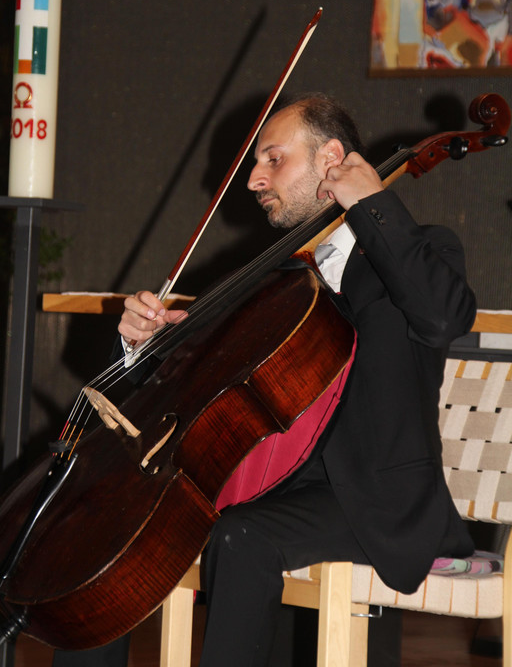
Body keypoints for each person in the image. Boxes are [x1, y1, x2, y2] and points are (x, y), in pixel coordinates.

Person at [53, 93, 476, 666]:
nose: (254, 179)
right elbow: (177, 386)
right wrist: (138, 345)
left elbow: (444, 316)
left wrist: (374, 205)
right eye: (256, 163)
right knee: (116, 526)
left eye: (273, 159)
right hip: (262, 483)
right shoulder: (269, 280)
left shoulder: (418, 250)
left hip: (370, 501)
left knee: (244, 536)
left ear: (331, 159)